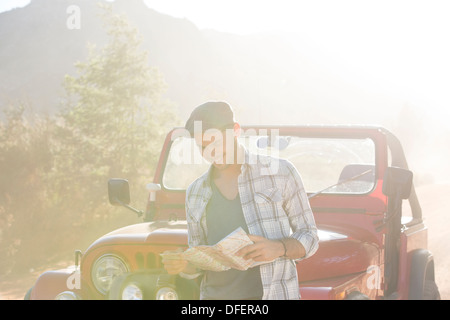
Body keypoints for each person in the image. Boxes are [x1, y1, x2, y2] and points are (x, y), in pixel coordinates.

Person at [162, 101, 319, 300]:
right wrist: (184, 264)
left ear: (236, 131)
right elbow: (200, 259)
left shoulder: (281, 173)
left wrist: (279, 248)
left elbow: (310, 236)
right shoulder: (195, 192)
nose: (211, 152)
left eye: (216, 142)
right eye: (203, 146)